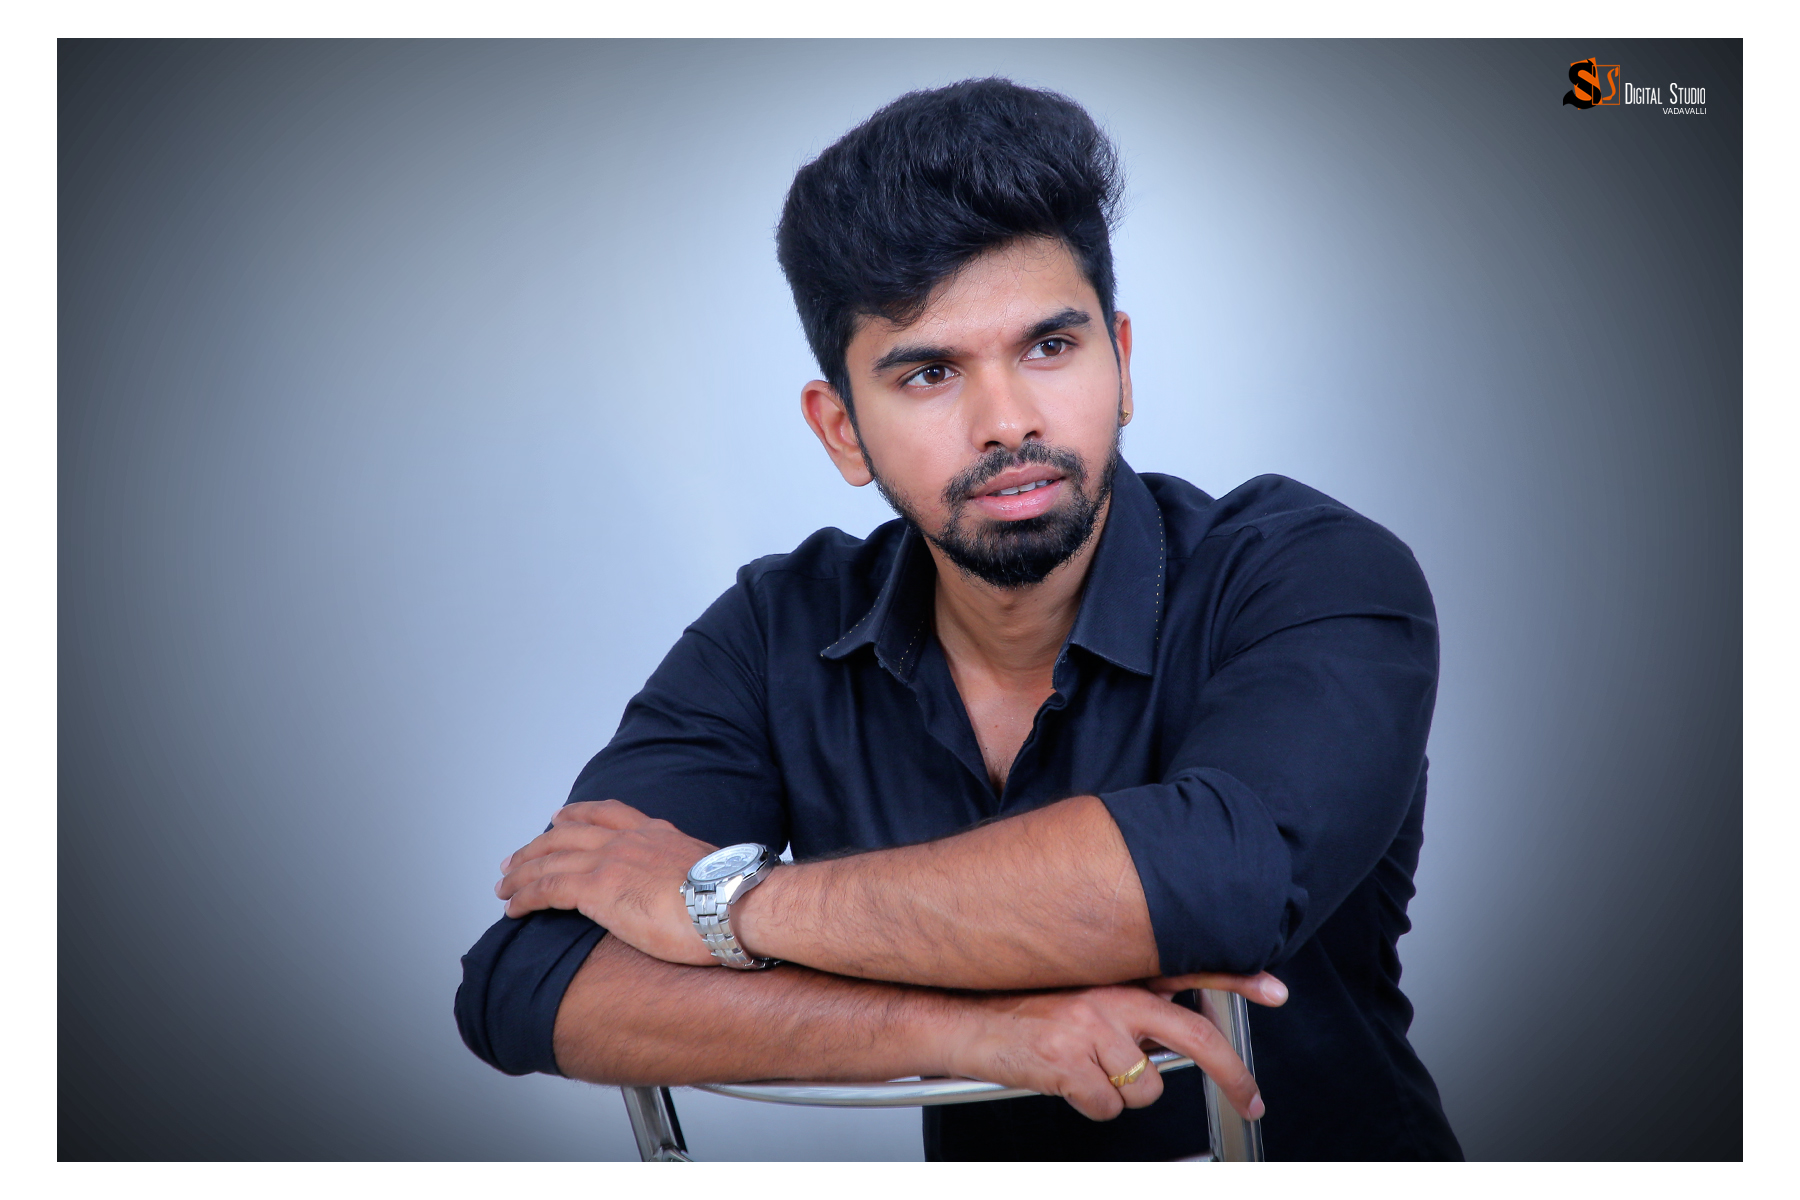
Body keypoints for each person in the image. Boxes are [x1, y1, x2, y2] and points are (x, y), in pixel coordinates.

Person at [455, 77, 1463, 1162]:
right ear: (842, 430)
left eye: (1049, 347)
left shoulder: (1309, 572)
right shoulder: (775, 631)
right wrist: (975, 1033)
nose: (1007, 421)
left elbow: (1219, 883)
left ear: (1122, 363)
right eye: (930, 372)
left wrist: (726, 905)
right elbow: (530, 983)